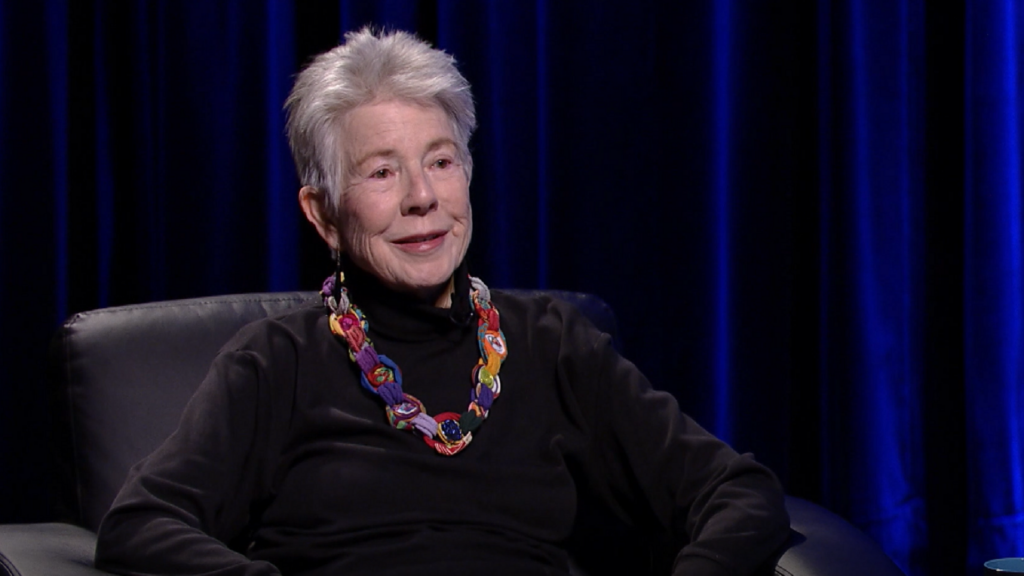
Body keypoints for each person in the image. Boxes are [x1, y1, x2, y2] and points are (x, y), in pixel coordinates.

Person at [94, 27, 789, 576]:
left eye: (441, 160)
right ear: (323, 215)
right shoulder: (278, 362)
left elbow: (737, 491)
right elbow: (142, 523)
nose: (422, 197)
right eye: (382, 171)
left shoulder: (551, 344)